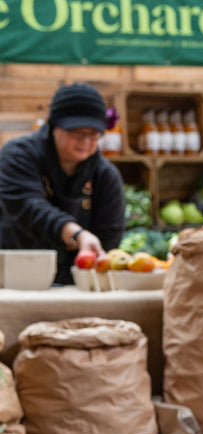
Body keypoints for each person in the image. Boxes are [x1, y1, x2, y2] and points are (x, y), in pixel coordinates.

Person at [0, 83, 125, 285]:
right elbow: (28, 206)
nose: (86, 141)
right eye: (77, 132)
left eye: (93, 134)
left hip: (76, 283)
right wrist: (77, 234)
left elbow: (110, 231)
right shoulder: (18, 156)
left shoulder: (105, 174)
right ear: (53, 125)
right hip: (17, 275)